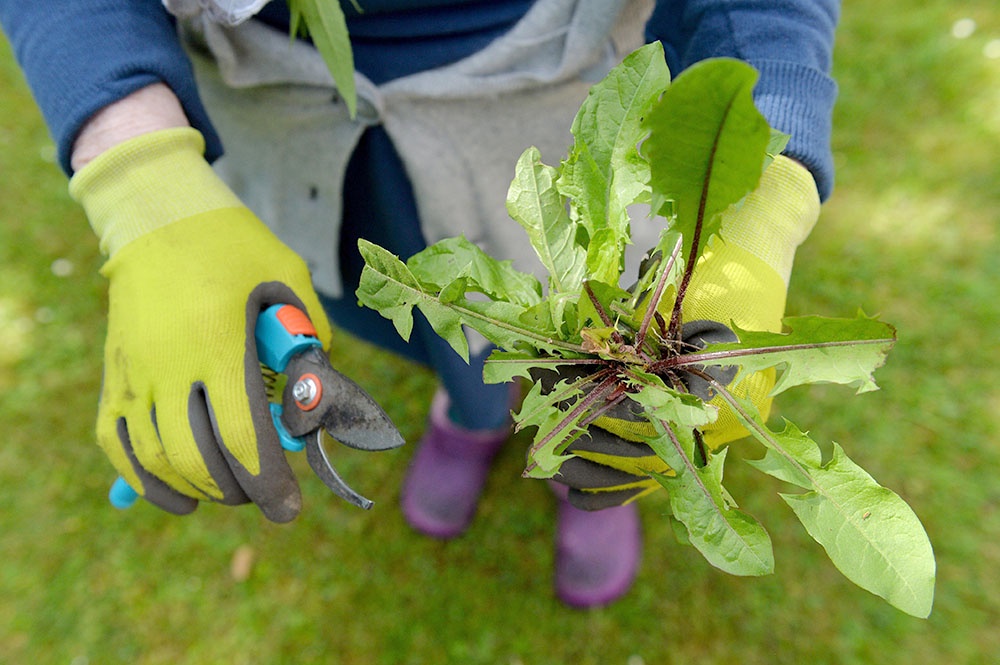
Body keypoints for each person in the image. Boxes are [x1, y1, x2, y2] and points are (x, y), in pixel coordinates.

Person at [0, 0, 838, 608]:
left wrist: (764, 205)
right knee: (391, 303)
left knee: (561, 326)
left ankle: (559, 451)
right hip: (288, 115)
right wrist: (141, 179)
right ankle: (469, 413)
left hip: (544, 104)